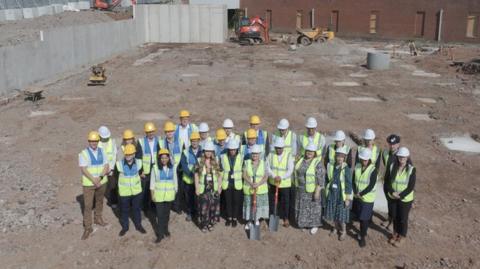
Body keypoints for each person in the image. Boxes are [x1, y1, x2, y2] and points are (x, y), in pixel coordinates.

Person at [79, 131, 109, 240]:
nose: (94, 143)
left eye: (95, 141)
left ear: (98, 141)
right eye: (92, 141)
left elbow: (106, 165)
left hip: (101, 182)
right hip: (89, 184)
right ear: (88, 141)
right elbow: (83, 169)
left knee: (99, 201)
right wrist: (94, 180)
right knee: (88, 205)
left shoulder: (102, 151)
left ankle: (98, 218)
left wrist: (100, 178)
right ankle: (88, 227)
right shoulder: (84, 153)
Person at [385, 147, 416, 247]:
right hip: (393, 196)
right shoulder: (392, 167)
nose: (401, 159)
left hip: (405, 199)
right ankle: (395, 233)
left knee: (403, 218)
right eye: (400, 157)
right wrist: (392, 192)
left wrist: (400, 195)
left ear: (407, 158)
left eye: (404, 157)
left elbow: (410, 187)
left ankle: (402, 236)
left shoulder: (411, 170)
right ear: (397, 157)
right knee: (394, 216)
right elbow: (387, 182)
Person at [115, 144, 146, 236]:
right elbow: (116, 177)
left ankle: (138, 225)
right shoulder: (119, 164)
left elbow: (141, 173)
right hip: (124, 192)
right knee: (124, 210)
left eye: (130, 154)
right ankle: (125, 227)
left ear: (134, 154)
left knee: (137, 209)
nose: (128, 156)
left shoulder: (139, 163)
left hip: (136, 191)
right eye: (127, 154)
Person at [293, 143, 324, 235]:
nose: (309, 153)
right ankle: (303, 223)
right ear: (305, 151)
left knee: (313, 208)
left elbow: (321, 178)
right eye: (308, 151)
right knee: (302, 207)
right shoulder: (300, 160)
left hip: (312, 191)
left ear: (314, 153)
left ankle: (314, 225)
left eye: (311, 151)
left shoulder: (317, 163)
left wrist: (317, 191)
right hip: (300, 190)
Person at [324, 146, 353, 241]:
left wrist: (348, 198)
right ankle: (336, 228)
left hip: (342, 195)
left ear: (344, 157)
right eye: (338, 156)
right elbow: (327, 179)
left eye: (342, 156)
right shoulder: (331, 166)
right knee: (334, 215)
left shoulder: (346, 169)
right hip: (333, 194)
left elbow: (348, 183)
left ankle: (343, 231)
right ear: (335, 156)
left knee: (341, 216)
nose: (339, 158)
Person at [194, 141, 223, 232]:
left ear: (212, 152)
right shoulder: (199, 161)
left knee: (213, 207)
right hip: (203, 189)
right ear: (203, 151)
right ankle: (204, 224)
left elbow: (220, 175)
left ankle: (211, 223)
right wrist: (197, 188)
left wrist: (219, 187)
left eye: (210, 151)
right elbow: (196, 175)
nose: (208, 153)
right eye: (207, 151)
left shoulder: (216, 161)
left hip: (213, 189)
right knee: (204, 207)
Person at [150, 149, 177, 243]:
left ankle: (166, 229)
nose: (164, 159)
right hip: (159, 196)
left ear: (169, 158)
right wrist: (152, 194)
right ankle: (160, 234)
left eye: (166, 157)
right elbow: (152, 182)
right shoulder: (155, 168)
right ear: (159, 158)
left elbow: (175, 181)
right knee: (160, 215)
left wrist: (175, 192)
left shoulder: (172, 167)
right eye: (162, 158)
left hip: (169, 195)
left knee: (167, 215)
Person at [352, 148, 377, 247]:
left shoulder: (373, 170)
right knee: (358, 215)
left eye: (365, 160)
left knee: (364, 219)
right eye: (362, 159)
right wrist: (355, 191)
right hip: (357, 196)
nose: (363, 161)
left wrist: (361, 194)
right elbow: (353, 180)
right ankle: (362, 231)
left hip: (367, 198)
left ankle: (362, 236)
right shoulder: (357, 166)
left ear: (369, 159)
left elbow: (371, 185)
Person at [267, 137, 294, 227]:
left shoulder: (288, 155)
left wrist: (281, 177)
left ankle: (286, 218)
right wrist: (274, 176)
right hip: (273, 182)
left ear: (283, 147)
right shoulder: (271, 155)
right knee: (273, 201)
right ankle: (273, 216)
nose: (278, 149)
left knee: (286, 202)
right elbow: (267, 167)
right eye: (277, 148)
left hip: (285, 184)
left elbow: (290, 170)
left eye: (280, 148)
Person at [243, 145, 269, 230]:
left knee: (258, 206)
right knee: (249, 205)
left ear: (259, 154)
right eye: (253, 154)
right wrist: (251, 183)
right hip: (249, 189)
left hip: (260, 189)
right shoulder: (247, 162)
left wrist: (258, 184)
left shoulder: (264, 163)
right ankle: (249, 221)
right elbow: (244, 174)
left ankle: (256, 219)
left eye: (256, 154)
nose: (255, 155)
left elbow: (266, 176)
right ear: (251, 154)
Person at [159, 121, 183, 214]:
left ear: (174, 132)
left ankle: (177, 206)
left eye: (171, 131)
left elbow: (183, 155)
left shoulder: (180, 142)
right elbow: (159, 156)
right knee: (167, 187)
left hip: (177, 169)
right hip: (167, 168)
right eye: (167, 131)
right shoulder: (161, 143)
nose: (169, 133)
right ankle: (168, 205)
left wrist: (180, 168)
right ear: (165, 133)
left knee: (178, 189)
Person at [136, 122, 160, 212]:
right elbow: (138, 158)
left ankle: (154, 207)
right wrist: (140, 171)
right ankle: (145, 208)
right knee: (145, 190)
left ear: (154, 131)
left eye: (152, 131)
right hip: (146, 170)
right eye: (148, 132)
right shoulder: (141, 142)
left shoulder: (159, 140)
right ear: (146, 133)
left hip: (156, 168)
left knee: (155, 188)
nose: (150, 134)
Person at [220, 139, 244, 227]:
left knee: (236, 201)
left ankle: (234, 218)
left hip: (237, 183)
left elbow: (243, 170)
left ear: (237, 149)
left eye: (234, 149)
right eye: (230, 149)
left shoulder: (241, 157)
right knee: (228, 201)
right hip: (227, 183)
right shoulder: (223, 156)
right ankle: (229, 217)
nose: (232, 151)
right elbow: (221, 170)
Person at [179, 132, 202, 222]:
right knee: (189, 198)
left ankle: (197, 212)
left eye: (196, 141)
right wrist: (192, 175)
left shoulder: (203, 151)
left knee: (198, 197)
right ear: (190, 141)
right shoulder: (185, 152)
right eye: (193, 141)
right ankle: (189, 212)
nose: (194, 143)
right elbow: (184, 165)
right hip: (188, 180)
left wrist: (198, 176)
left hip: (200, 181)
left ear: (199, 141)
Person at [381, 134, 401, 230]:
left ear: (398, 144)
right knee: (389, 202)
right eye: (390, 144)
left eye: (394, 144)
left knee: (394, 203)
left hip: (395, 185)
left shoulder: (401, 156)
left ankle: (393, 222)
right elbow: (386, 165)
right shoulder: (385, 153)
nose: (392, 146)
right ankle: (389, 219)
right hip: (387, 182)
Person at [98, 126, 118, 209]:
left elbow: (114, 155)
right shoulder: (97, 143)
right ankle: (98, 202)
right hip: (101, 169)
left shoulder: (112, 142)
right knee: (99, 186)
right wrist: (103, 170)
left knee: (113, 185)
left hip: (111, 169)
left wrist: (111, 168)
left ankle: (113, 201)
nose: (105, 139)